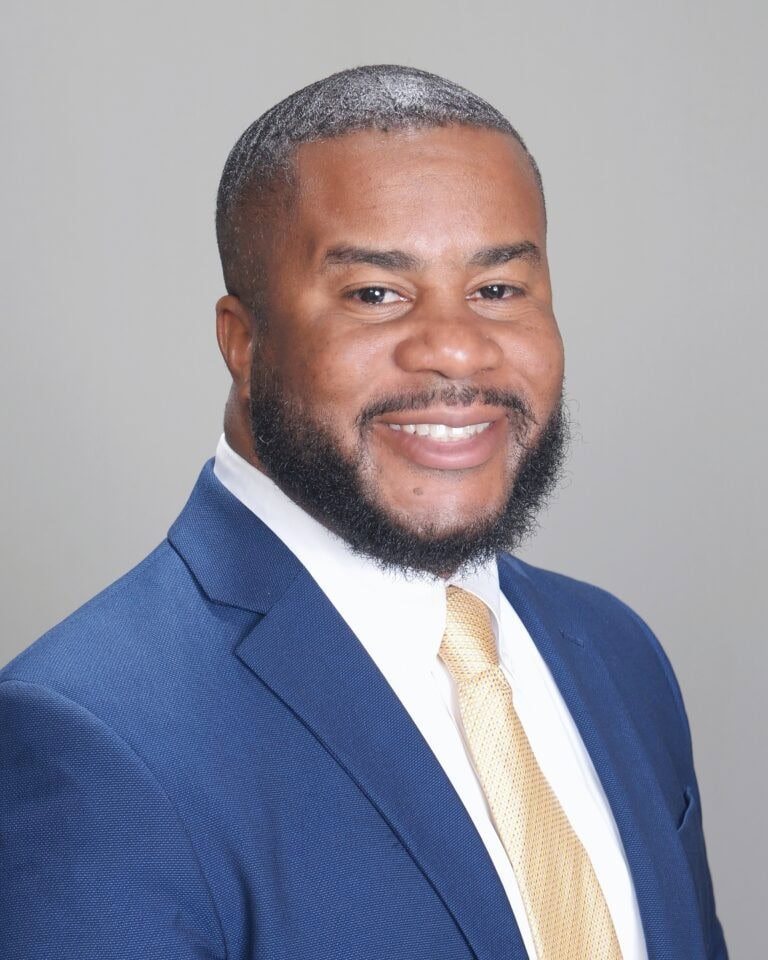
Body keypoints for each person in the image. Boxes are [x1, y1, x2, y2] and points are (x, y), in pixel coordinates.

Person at [0, 65, 727, 960]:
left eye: (498, 289)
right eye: (375, 294)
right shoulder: (91, 736)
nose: (456, 346)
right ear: (243, 340)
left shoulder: (617, 654)